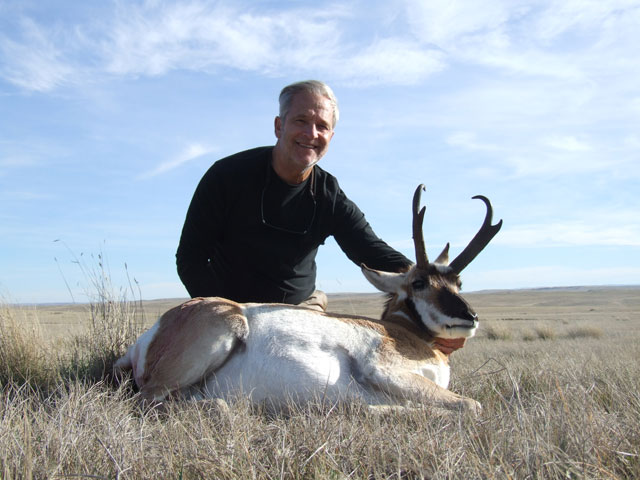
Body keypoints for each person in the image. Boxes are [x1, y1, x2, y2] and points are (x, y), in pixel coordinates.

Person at [176, 80, 412, 310]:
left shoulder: (329, 195)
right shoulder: (227, 176)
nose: (311, 133)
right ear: (279, 126)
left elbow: (370, 251)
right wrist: (221, 312)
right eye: (301, 121)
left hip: (299, 313)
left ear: (331, 136)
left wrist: (426, 276)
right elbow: (190, 259)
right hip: (230, 312)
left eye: (322, 126)